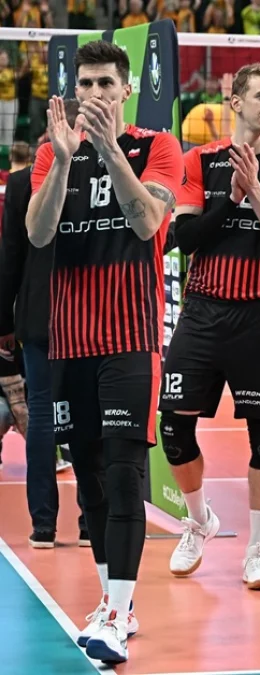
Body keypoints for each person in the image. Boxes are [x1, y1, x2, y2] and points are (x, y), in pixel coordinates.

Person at [26, 40, 183, 664]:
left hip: (129, 339)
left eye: (105, 84)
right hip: (70, 340)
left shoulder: (159, 147)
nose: (94, 94)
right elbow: (39, 233)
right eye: (86, 84)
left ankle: (116, 614)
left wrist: (110, 149)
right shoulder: (52, 151)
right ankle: (115, 601)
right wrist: (65, 161)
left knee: (123, 474)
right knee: (88, 478)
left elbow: (147, 224)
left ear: (126, 91)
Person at [159, 63, 260, 594]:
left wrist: (257, 193)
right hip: (203, 310)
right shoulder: (199, 160)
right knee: (173, 428)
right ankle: (199, 520)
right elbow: (187, 236)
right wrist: (233, 198)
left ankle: (257, 551)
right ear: (236, 101)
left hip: (259, 317)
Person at [0, 139, 85, 548]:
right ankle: (90, 523)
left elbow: (10, 257)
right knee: (86, 413)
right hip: (83, 314)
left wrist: (4, 321)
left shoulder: (20, 183)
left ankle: (44, 525)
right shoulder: (93, 175)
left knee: (41, 413)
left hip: (38, 313)